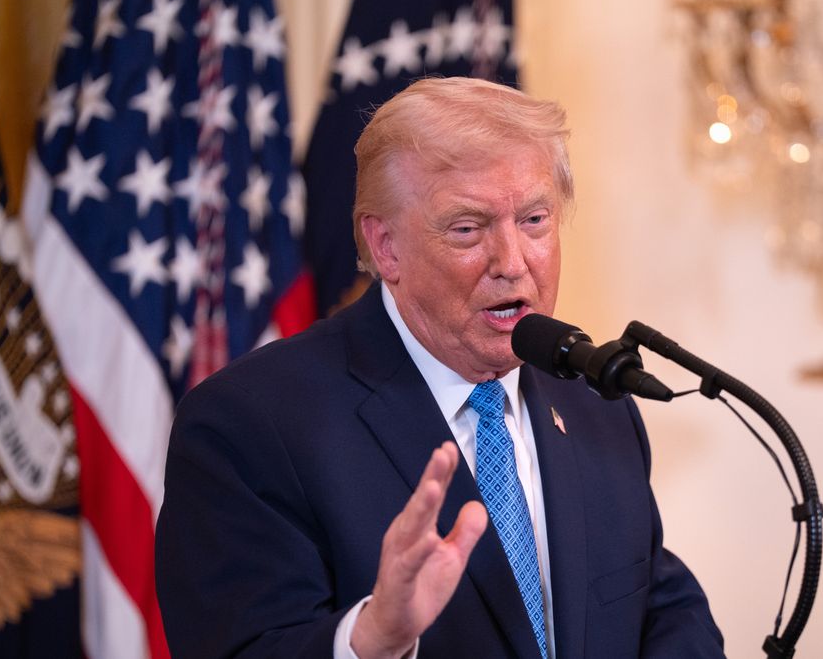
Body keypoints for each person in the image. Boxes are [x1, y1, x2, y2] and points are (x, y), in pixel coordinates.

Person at [155, 77, 724, 658]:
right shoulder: (249, 424)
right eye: (467, 229)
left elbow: (657, 604)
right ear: (386, 247)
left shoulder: (592, 399)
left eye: (534, 220)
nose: (512, 262)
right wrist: (372, 639)